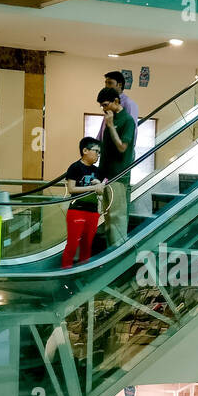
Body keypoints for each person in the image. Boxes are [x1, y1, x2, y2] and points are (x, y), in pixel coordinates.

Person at [96, 86, 135, 246]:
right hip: (105, 175)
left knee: (117, 218)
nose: (103, 109)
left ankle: (118, 257)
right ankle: (110, 255)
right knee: (109, 219)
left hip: (118, 176)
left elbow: (122, 147)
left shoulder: (127, 120)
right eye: (102, 106)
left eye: (105, 105)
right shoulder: (110, 119)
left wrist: (111, 126)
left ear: (116, 101)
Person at [62, 138, 105, 268]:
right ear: (85, 150)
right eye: (96, 151)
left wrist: (100, 185)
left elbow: (100, 191)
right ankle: (65, 272)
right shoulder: (75, 167)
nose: (98, 154)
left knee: (87, 245)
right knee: (73, 244)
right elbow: (71, 189)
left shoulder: (97, 170)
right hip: (77, 210)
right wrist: (93, 188)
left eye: (99, 152)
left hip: (92, 211)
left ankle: (83, 273)